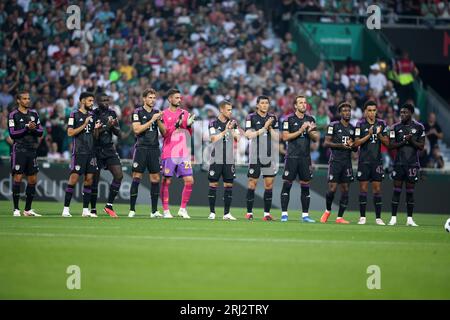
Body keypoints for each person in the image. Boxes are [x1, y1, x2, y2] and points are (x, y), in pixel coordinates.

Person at [280, 95, 319, 222]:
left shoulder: (310, 119)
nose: (304, 105)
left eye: (305, 103)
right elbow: (285, 137)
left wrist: (309, 130)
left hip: (305, 158)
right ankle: (284, 214)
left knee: (305, 185)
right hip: (291, 157)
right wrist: (300, 130)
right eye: (301, 103)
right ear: (295, 106)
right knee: (287, 185)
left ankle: (305, 216)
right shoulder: (288, 119)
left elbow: (315, 138)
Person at [62, 92, 101, 217]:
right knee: (73, 179)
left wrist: (96, 129)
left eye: (92, 101)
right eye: (90, 100)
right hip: (79, 152)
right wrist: (84, 124)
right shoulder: (74, 114)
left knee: (89, 180)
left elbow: (95, 136)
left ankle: (85, 210)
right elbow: (70, 132)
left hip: (91, 152)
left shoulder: (92, 115)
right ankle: (66, 209)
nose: (92, 103)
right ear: (82, 101)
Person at [128, 88, 165, 218]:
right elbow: (137, 130)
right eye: (150, 97)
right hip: (141, 148)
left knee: (155, 178)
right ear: (144, 99)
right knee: (137, 177)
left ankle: (154, 211)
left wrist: (159, 120)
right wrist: (152, 120)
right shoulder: (137, 112)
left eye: (154, 98)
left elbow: (165, 133)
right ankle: (132, 209)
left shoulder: (157, 113)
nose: (152, 100)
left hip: (154, 149)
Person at [160, 88, 195, 219]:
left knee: (190, 180)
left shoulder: (185, 113)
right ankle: (165, 210)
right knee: (166, 181)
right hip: (169, 151)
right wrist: (177, 124)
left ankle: (182, 209)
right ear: (170, 99)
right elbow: (164, 134)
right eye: (176, 98)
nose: (179, 100)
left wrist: (189, 126)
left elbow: (188, 135)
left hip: (183, 153)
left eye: (180, 98)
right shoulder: (163, 114)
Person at [387, 103, 425, 227]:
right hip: (399, 163)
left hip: (412, 164)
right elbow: (391, 145)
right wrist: (404, 141)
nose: (402, 114)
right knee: (396, 191)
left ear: (411, 113)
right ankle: (393, 218)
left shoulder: (419, 127)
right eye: (401, 112)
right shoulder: (394, 127)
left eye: (405, 112)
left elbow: (421, 146)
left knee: (410, 192)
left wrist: (411, 140)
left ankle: (409, 219)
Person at [353, 100, 390, 225]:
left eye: (374, 110)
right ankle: (362, 217)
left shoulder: (382, 124)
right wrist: (369, 134)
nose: (372, 113)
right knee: (363, 189)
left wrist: (378, 134)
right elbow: (356, 143)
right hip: (364, 161)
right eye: (369, 110)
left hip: (377, 161)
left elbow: (388, 143)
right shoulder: (360, 124)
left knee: (377, 190)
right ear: (365, 111)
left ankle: (378, 218)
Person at [8, 91, 43, 217]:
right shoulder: (13, 115)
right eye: (24, 98)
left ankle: (28, 209)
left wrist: (34, 128)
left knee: (33, 179)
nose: (27, 100)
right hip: (19, 150)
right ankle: (16, 209)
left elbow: (40, 132)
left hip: (32, 150)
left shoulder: (34, 114)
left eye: (28, 98)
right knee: (17, 178)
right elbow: (12, 134)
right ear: (18, 100)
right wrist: (27, 128)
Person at [244, 95, 279, 221]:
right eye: (262, 103)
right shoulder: (251, 117)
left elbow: (277, 138)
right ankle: (249, 213)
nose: (265, 105)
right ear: (257, 105)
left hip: (269, 156)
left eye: (267, 103)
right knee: (252, 183)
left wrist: (269, 128)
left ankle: (266, 214)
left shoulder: (273, 118)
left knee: (269, 184)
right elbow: (248, 134)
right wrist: (264, 128)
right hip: (255, 155)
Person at [321, 102, 356, 224]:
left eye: (349, 111)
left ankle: (339, 217)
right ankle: (327, 211)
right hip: (335, 160)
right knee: (332, 189)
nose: (347, 113)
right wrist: (341, 145)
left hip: (347, 162)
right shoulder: (333, 125)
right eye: (345, 111)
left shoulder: (353, 128)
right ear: (340, 113)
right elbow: (326, 143)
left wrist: (353, 146)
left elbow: (355, 148)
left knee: (345, 189)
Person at [90, 93, 123, 218]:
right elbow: (93, 135)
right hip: (96, 150)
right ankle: (93, 209)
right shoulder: (92, 114)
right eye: (103, 100)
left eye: (107, 100)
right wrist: (106, 126)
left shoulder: (112, 113)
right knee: (95, 181)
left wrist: (114, 126)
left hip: (109, 148)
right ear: (97, 102)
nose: (106, 102)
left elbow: (118, 134)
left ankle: (108, 205)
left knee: (119, 175)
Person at [207, 100, 240, 221]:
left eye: (231, 110)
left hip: (229, 158)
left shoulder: (233, 123)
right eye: (228, 109)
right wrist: (225, 130)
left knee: (228, 184)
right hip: (216, 157)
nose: (230, 112)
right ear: (221, 109)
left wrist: (231, 129)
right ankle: (212, 212)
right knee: (213, 183)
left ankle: (226, 213)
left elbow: (238, 138)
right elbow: (213, 139)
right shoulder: (213, 123)